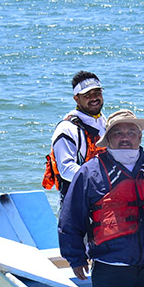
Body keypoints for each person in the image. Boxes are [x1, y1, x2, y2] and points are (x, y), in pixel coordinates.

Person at [58, 109, 144, 287]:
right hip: (110, 270)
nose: (125, 138)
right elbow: (70, 218)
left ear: (140, 136)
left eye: (131, 132)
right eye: (118, 133)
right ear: (107, 138)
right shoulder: (89, 172)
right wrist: (75, 258)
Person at [43, 71, 108, 202]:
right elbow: (66, 169)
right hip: (76, 203)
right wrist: (104, 179)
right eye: (87, 95)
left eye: (97, 93)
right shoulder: (67, 128)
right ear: (76, 99)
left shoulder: (104, 121)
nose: (94, 98)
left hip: (104, 199)